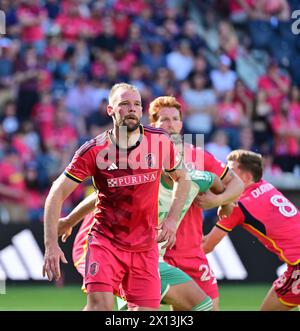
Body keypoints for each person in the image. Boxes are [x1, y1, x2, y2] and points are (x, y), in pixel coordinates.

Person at [42, 83, 191, 311]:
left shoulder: (159, 141)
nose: (131, 109)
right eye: (124, 104)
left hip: (145, 247)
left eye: (136, 104)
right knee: (101, 307)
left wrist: (171, 220)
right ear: (110, 110)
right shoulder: (93, 150)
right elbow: (57, 192)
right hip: (106, 243)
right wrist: (51, 243)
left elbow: (183, 178)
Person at [58, 167, 225, 311]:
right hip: (125, 253)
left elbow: (216, 181)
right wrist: (69, 220)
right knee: (100, 306)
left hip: (152, 258)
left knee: (203, 305)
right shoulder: (142, 179)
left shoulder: (194, 179)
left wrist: (223, 201)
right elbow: (99, 195)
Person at [148, 96, 244, 310]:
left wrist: (219, 200)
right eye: (164, 119)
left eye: (174, 118)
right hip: (156, 253)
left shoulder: (198, 155)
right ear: (153, 125)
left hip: (191, 253)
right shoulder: (143, 158)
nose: (170, 124)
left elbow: (236, 184)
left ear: (181, 124)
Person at [203, 149, 300, 311]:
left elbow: (206, 246)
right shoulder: (266, 186)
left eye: (231, 172)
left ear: (247, 177)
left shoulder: (239, 206)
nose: (226, 175)